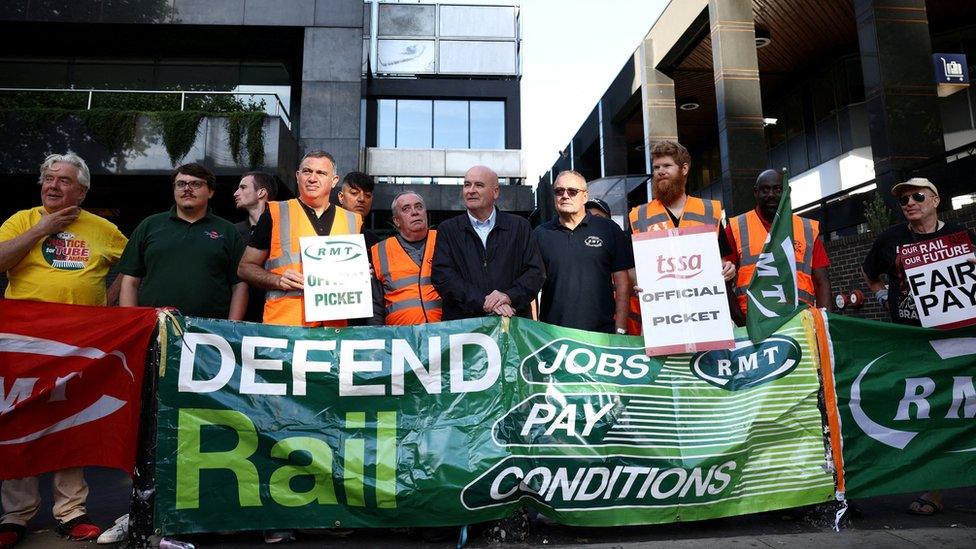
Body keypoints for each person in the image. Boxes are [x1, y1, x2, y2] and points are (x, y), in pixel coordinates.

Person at [0, 153, 128, 546]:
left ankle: (71, 513)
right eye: (48, 179)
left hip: (78, 346)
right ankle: (14, 516)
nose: (52, 186)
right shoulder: (22, 220)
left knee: (70, 423)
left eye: (63, 181)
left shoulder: (103, 229)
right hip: (24, 342)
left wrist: (108, 300)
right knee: (19, 422)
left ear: (82, 191)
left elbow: (132, 265)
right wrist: (42, 229)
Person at [862, 177, 976, 517]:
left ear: (936, 199)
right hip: (910, 339)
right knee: (926, 409)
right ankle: (934, 485)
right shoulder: (891, 239)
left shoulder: (961, 238)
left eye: (917, 196)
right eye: (903, 200)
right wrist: (882, 295)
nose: (910, 202)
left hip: (957, 338)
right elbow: (869, 272)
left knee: (961, 406)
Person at [237, 150, 363, 328]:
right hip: (285, 327)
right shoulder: (275, 213)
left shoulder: (353, 221)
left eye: (321, 173)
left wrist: (362, 274)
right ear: (297, 176)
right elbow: (245, 268)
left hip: (334, 330)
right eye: (307, 171)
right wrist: (278, 281)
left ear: (334, 181)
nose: (312, 178)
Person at [627, 140, 736, 329]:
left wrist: (728, 269)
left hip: (705, 315)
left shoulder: (710, 210)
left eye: (667, 165)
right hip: (660, 317)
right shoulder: (638, 215)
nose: (660, 171)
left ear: (684, 169)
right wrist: (637, 282)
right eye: (656, 167)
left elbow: (722, 260)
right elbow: (630, 264)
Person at [117, 163, 247, 320]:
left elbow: (240, 285)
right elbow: (130, 281)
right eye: (181, 184)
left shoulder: (228, 230)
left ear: (210, 191)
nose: (187, 189)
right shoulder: (149, 225)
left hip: (209, 333)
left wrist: (231, 329)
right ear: (174, 190)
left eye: (196, 184)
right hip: (153, 327)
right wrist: (131, 323)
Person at [431, 165, 545, 320]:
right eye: (466, 185)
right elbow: (443, 277)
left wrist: (508, 296)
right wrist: (484, 302)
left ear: (495, 192)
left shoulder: (520, 227)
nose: (470, 190)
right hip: (465, 328)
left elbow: (535, 272)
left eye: (479, 185)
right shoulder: (448, 230)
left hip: (512, 324)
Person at [534, 171, 633, 333]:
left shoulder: (608, 229)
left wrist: (620, 329)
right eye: (559, 191)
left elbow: (622, 283)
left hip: (602, 334)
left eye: (572, 191)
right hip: (553, 335)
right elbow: (532, 286)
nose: (565, 196)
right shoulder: (540, 234)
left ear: (585, 197)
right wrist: (535, 329)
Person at [728, 169, 832, 316]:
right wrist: (742, 325)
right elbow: (723, 284)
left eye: (777, 189)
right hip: (754, 325)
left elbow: (823, 284)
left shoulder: (808, 229)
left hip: (800, 323)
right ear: (755, 192)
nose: (771, 195)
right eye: (765, 190)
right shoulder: (736, 228)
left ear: (787, 192)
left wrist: (824, 325)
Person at [369, 192, 442, 325]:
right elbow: (375, 305)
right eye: (406, 209)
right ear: (396, 220)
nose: (415, 212)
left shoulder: (444, 240)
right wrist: (376, 336)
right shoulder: (380, 251)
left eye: (419, 207)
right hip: (399, 338)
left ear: (426, 213)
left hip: (445, 336)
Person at [233, 171, 278, 322]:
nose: (236, 193)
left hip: (276, 312)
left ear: (261, 192)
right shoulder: (234, 232)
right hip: (241, 317)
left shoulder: (284, 228)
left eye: (243, 187)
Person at [337, 171, 379, 249]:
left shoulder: (375, 242)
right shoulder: (326, 232)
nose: (362, 199)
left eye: (367, 195)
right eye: (354, 193)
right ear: (341, 197)